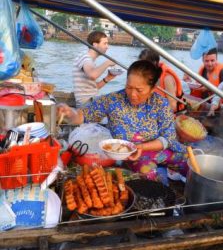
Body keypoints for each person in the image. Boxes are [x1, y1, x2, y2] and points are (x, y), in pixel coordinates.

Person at [58, 60, 188, 181]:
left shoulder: (161, 103)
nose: (132, 94)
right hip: (132, 156)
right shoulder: (113, 100)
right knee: (151, 176)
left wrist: (141, 146)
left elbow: (168, 137)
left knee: (190, 163)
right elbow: (82, 116)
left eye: (139, 90)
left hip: (160, 149)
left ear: (152, 89)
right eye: (129, 87)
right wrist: (70, 112)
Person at [73, 30, 117, 108]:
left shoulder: (90, 60)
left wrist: (108, 78)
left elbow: (93, 87)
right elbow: (92, 75)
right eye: (105, 43)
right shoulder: (85, 58)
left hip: (90, 101)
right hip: (86, 103)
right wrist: (107, 63)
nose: (107, 47)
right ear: (95, 45)